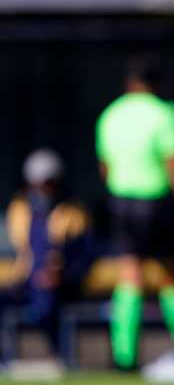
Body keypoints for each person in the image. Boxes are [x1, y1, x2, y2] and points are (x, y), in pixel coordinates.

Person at [95, 55, 174, 370]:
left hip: (121, 200)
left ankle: (124, 357)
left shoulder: (111, 115)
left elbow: (105, 166)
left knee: (130, 275)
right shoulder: (165, 114)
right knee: (171, 277)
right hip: (156, 201)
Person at [3, 149, 94, 358]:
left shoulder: (74, 212)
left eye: (46, 184)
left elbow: (85, 256)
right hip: (27, 282)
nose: (41, 190)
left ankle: (61, 358)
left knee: (47, 304)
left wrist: (61, 275)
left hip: (62, 286)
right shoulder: (20, 210)